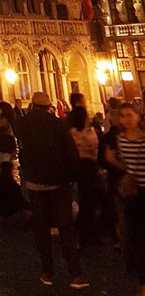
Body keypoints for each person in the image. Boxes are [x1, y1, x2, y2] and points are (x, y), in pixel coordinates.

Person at [15, 90, 88, 289]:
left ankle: (47, 272)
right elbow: (71, 153)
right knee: (66, 228)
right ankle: (75, 274)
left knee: (41, 229)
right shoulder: (58, 124)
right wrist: (71, 177)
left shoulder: (22, 124)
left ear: (31, 106)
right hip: (58, 183)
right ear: (49, 107)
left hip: (35, 184)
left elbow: (20, 146)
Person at [106, 102, 145, 292]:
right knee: (136, 235)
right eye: (123, 116)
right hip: (132, 194)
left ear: (138, 116)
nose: (126, 120)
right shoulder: (121, 139)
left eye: (130, 115)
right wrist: (113, 161)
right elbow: (126, 165)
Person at [69, 104, 99, 241]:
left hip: (80, 167)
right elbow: (94, 146)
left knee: (85, 198)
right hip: (87, 166)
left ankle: (85, 229)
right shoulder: (88, 131)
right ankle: (88, 230)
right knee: (89, 198)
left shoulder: (72, 132)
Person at [0, 102, 18, 176]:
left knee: (1, 171)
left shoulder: (3, 121)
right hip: (6, 148)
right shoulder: (9, 119)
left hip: (2, 148)